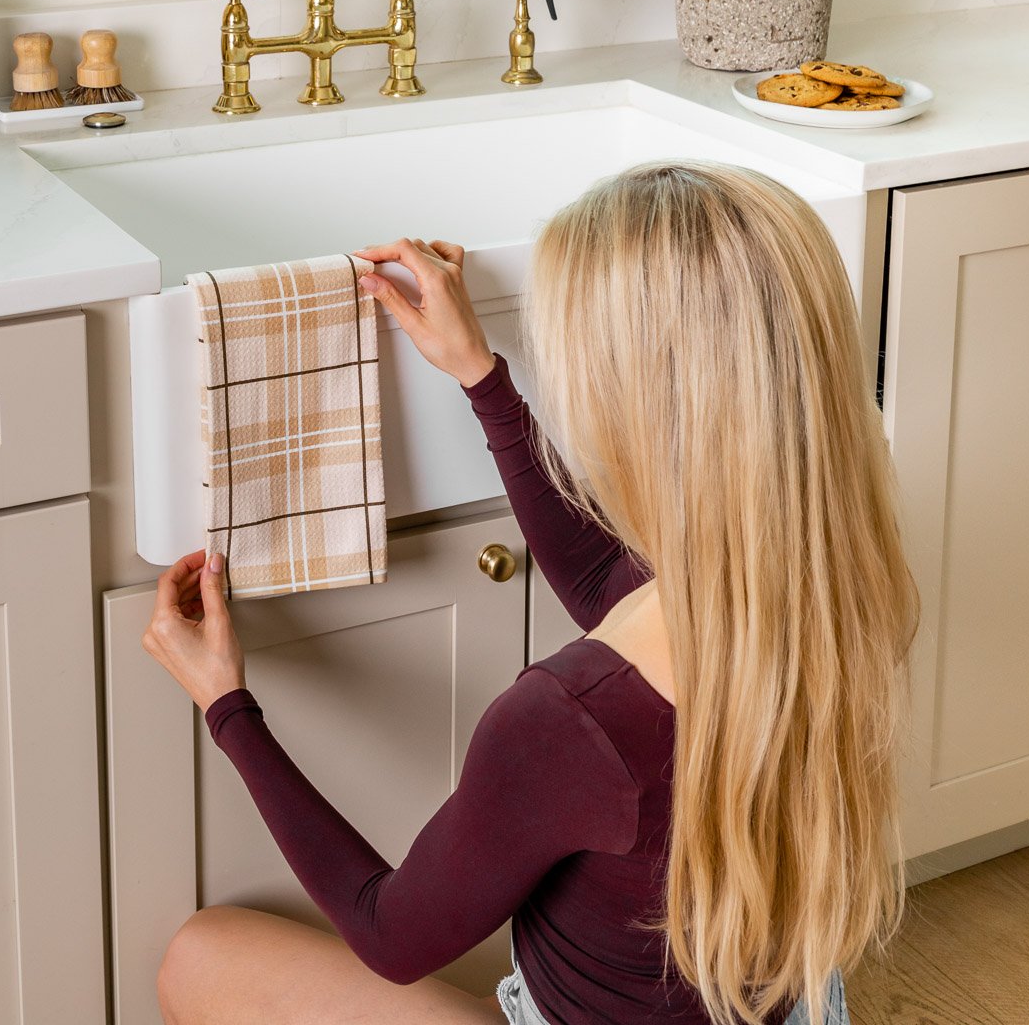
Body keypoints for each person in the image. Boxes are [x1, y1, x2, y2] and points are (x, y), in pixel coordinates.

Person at [144, 163, 919, 1025]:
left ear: (632, 404)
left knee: (198, 957)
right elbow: (607, 586)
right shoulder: (849, 583)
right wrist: (485, 379)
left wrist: (227, 705)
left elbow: (391, 935)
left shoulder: (565, 721)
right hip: (800, 1007)